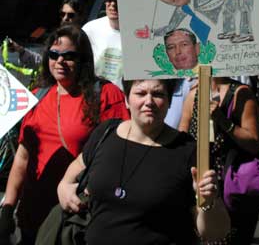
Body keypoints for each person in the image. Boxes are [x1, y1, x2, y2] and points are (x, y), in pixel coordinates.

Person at [57, 78, 231, 245]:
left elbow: (214, 233)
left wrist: (209, 202)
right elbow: (78, 166)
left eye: (158, 94)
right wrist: (63, 186)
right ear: (126, 99)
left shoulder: (188, 151)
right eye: (140, 93)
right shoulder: (106, 132)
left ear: (170, 101)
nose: (149, 101)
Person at [0, 25, 129, 245]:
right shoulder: (38, 95)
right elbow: (22, 158)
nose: (60, 61)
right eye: (54, 54)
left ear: (83, 60)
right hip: (32, 217)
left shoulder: (106, 95)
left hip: (74, 219)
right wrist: (8, 206)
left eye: (69, 56)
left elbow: (121, 153)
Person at [179, 77, 259, 244]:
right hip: (200, 185)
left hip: (231, 187)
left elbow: (253, 143)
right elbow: (183, 138)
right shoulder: (194, 94)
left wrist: (222, 120)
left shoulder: (241, 93)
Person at [8, 0, 86, 70]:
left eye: (71, 15)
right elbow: (44, 63)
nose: (65, 18)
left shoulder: (84, 40)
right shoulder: (55, 37)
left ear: (80, 17)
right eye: (62, 14)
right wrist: (20, 50)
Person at [82, 0, 123, 89]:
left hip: (126, 100)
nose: (112, 4)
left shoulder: (138, 33)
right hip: (95, 95)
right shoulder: (90, 29)